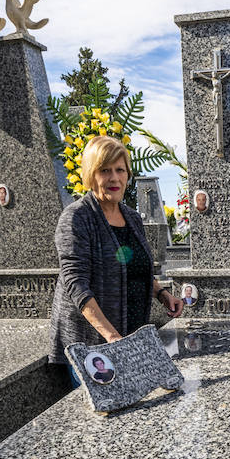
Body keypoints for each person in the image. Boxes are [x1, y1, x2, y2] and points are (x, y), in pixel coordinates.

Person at [49, 135, 182, 365]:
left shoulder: (131, 217)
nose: (114, 178)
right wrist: (111, 336)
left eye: (120, 170)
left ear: (128, 175)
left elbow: (135, 268)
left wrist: (162, 294)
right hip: (90, 344)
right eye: (104, 170)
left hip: (130, 335)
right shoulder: (76, 217)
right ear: (91, 175)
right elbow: (76, 284)